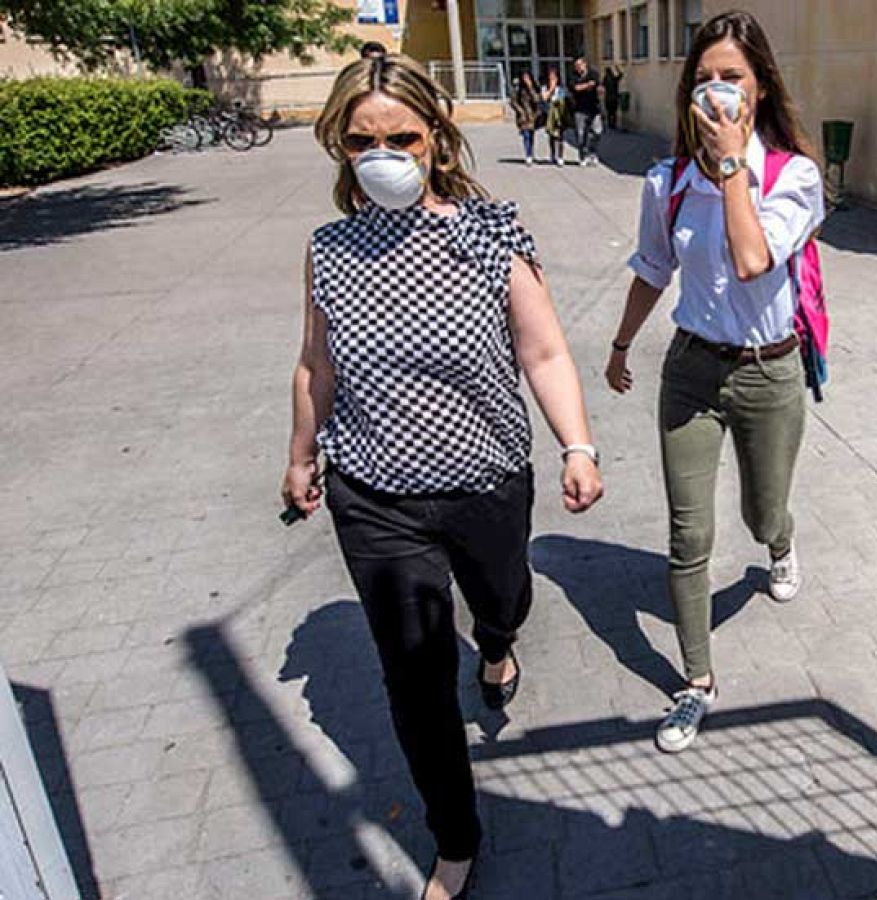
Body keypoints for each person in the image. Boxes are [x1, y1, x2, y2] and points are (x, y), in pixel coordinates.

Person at [285, 53, 603, 899]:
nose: (382, 155)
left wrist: (577, 445)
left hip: (486, 482)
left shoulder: (492, 232)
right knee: (414, 676)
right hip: (374, 496)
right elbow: (316, 364)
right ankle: (455, 837)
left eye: (401, 138)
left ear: (436, 138)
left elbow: (543, 352)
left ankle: (496, 644)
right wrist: (301, 454)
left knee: (504, 599)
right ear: (339, 146)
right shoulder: (330, 250)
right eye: (362, 141)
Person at [604, 10, 824, 754]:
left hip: (769, 374)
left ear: (760, 88)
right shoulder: (667, 181)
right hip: (692, 371)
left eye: (732, 76)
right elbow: (652, 268)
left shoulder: (793, 176)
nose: (717, 91)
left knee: (762, 513)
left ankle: (780, 542)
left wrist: (732, 167)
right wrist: (621, 344)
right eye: (703, 79)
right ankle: (695, 683)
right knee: (688, 534)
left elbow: (754, 260)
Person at [569, 57, 603, 166]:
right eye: (576, 66)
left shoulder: (593, 74)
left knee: (597, 132)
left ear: (585, 64)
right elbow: (575, 88)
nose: (578, 68)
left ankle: (592, 152)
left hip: (594, 108)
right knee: (580, 135)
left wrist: (600, 90)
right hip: (579, 109)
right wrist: (588, 85)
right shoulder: (573, 76)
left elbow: (598, 86)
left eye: (580, 65)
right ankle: (582, 156)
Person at [538, 65, 569, 166]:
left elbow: (563, 101)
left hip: (559, 115)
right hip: (549, 115)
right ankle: (552, 154)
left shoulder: (561, 89)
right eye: (550, 77)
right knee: (551, 135)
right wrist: (551, 89)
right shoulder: (544, 88)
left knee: (560, 136)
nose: (552, 79)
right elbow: (544, 98)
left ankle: (560, 156)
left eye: (554, 77)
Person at [510, 71, 541, 166]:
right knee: (526, 135)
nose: (525, 79)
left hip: (533, 115)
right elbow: (513, 101)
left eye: (527, 77)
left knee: (531, 136)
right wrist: (520, 111)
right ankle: (528, 155)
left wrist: (530, 87)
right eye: (524, 77)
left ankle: (531, 152)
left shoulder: (535, 87)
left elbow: (537, 99)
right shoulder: (518, 88)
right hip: (523, 116)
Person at [602, 65, 623, 130]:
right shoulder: (614, 79)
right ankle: (613, 124)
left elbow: (602, 85)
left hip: (608, 98)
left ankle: (610, 124)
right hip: (614, 98)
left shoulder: (605, 79)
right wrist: (617, 69)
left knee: (609, 112)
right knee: (614, 112)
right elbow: (621, 75)